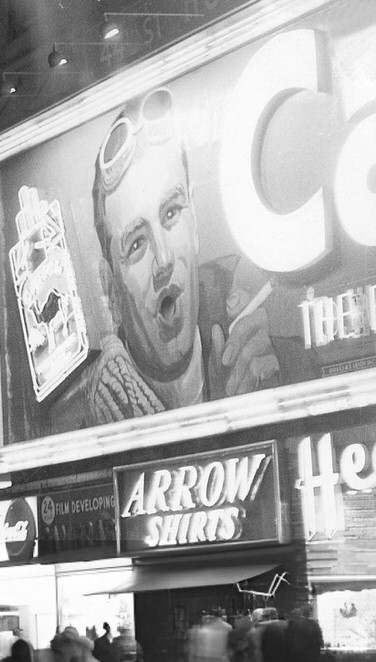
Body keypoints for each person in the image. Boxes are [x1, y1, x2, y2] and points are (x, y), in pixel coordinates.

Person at [83, 86, 286, 425]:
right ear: (111, 289)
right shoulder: (88, 416)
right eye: (136, 244)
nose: (163, 260)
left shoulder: (250, 333)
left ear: (194, 225)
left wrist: (274, 405)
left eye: (171, 214)